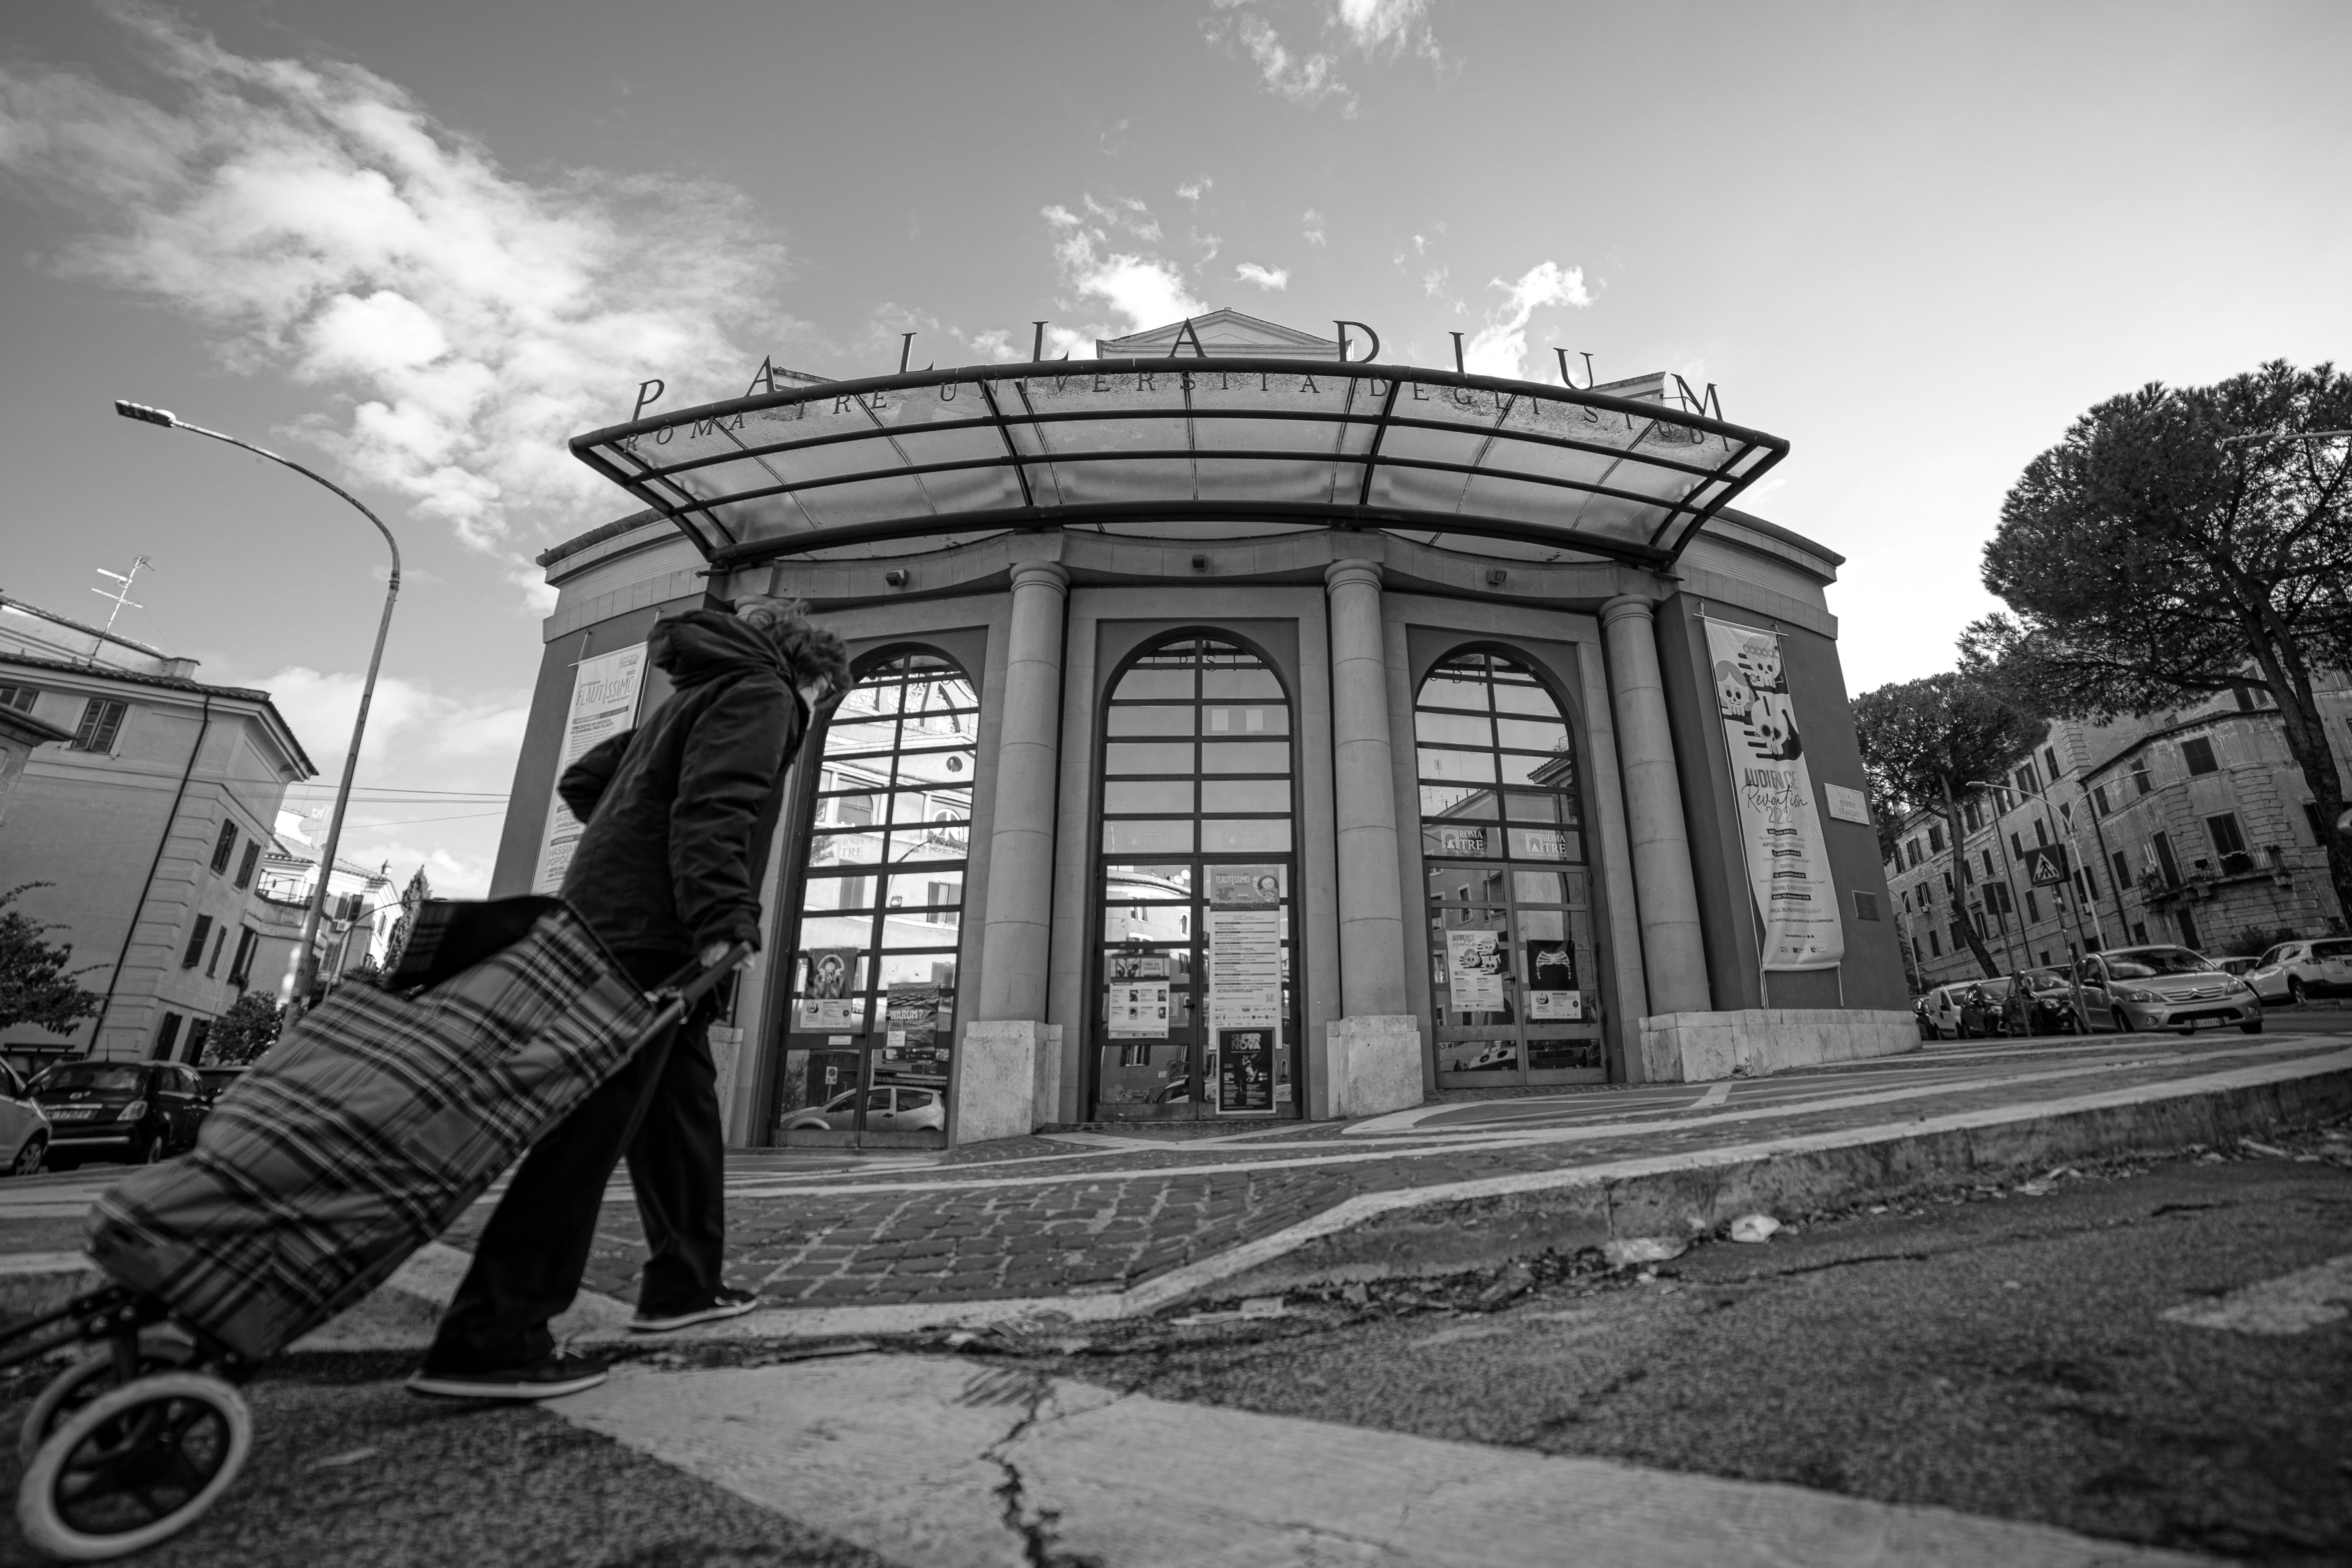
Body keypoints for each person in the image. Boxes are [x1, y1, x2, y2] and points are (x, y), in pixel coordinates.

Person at [408, 597, 847, 1400]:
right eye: (824, 700)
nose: (813, 719)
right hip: (652, 936)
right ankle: (490, 1336)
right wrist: (720, 917)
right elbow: (717, 806)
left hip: (612, 917)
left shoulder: (686, 697)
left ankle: (684, 1284)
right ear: (813, 672)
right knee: (587, 1131)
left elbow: (586, 780)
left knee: (678, 1114)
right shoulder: (765, 692)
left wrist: (627, 845)